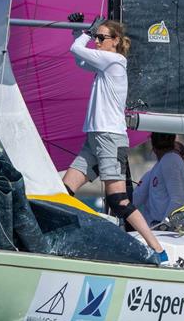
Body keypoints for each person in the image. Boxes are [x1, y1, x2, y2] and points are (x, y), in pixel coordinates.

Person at [62, 18, 168, 264]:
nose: (97, 42)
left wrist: (83, 35)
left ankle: (158, 250)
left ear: (116, 41)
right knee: (63, 191)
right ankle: (64, 239)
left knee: (118, 201)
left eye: (101, 38)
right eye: (96, 37)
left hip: (110, 137)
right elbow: (80, 60)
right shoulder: (103, 64)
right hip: (94, 137)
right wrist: (78, 32)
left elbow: (77, 49)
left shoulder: (116, 61)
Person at [133, 133, 184, 227]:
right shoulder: (161, 164)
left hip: (170, 228)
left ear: (153, 148)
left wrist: (164, 225)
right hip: (165, 226)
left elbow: (178, 199)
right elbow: (137, 198)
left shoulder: (170, 160)